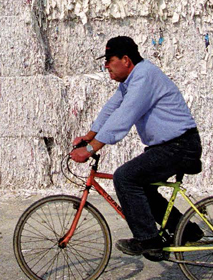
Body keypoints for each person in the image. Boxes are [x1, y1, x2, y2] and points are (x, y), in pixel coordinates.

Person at [70, 36, 205, 259]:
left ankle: (148, 240)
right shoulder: (131, 81)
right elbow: (111, 108)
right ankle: (187, 230)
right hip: (169, 146)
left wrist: (91, 149)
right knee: (144, 188)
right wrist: (89, 136)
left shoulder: (144, 77)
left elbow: (124, 116)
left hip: (180, 146)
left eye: (108, 60)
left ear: (125, 60)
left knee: (125, 178)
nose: (105, 66)